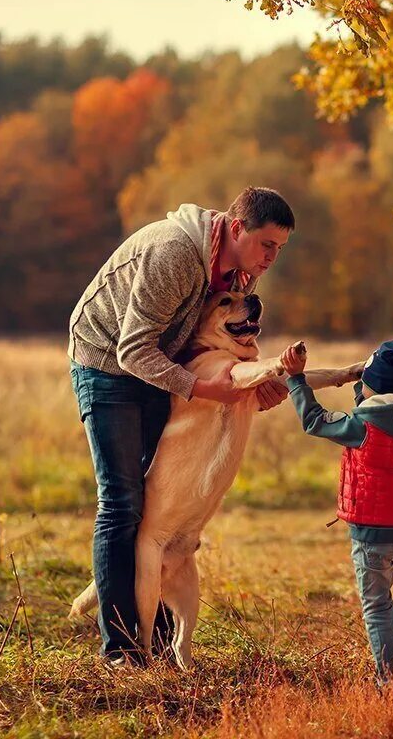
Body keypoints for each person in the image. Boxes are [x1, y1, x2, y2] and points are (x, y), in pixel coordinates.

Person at [67, 187, 294, 666]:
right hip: (106, 363)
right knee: (122, 502)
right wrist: (204, 389)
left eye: (280, 248)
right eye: (266, 245)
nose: (272, 258)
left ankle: (163, 642)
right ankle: (123, 655)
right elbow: (131, 351)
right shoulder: (175, 254)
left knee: (155, 507)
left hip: (158, 364)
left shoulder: (240, 274)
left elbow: (217, 342)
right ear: (237, 229)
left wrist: (260, 388)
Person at [282, 337, 393, 684]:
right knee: (381, 596)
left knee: (375, 607)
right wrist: (362, 385)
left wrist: (295, 380)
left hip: (371, 534)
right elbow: (375, 407)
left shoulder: (361, 429)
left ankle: (389, 680)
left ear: (373, 385)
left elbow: (314, 420)